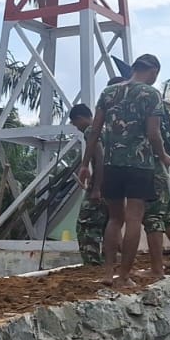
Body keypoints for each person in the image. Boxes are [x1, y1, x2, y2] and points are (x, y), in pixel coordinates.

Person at [83, 54, 170, 285]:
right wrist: (163, 155)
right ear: (153, 71)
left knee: (115, 219)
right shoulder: (151, 94)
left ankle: (107, 274)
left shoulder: (108, 93)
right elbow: (153, 133)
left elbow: (94, 132)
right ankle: (123, 276)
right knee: (134, 219)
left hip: (112, 165)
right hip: (139, 164)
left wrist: (85, 165)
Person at [142, 95, 170, 276]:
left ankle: (156, 269)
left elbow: (152, 134)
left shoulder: (137, 104)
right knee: (167, 209)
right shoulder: (161, 107)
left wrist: (162, 155)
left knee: (152, 214)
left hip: (159, 162)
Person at [67, 102, 109, 266]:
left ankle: (92, 264)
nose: (76, 127)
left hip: (101, 185)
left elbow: (100, 157)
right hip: (111, 183)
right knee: (105, 224)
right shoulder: (105, 130)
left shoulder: (91, 131)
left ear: (79, 118)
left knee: (86, 225)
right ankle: (106, 262)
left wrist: (96, 188)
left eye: (74, 123)